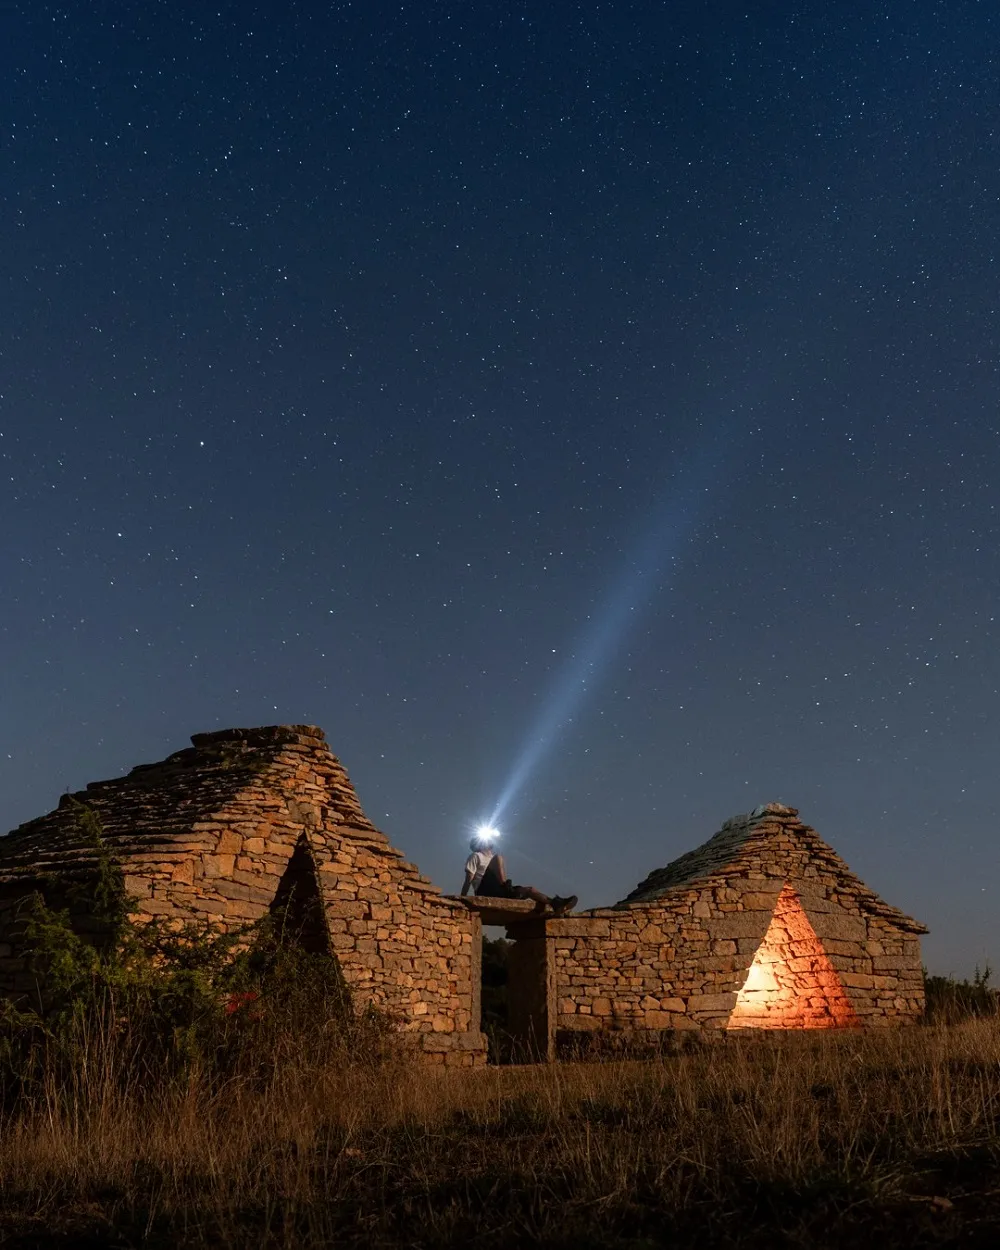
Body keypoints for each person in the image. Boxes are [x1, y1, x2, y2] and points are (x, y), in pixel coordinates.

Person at [460, 835, 577, 916]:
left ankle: (556, 904)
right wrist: (462, 898)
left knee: (530, 890)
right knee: (499, 858)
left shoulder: (491, 858)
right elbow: (469, 879)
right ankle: (507, 888)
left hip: (498, 889)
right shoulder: (475, 856)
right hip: (484, 890)